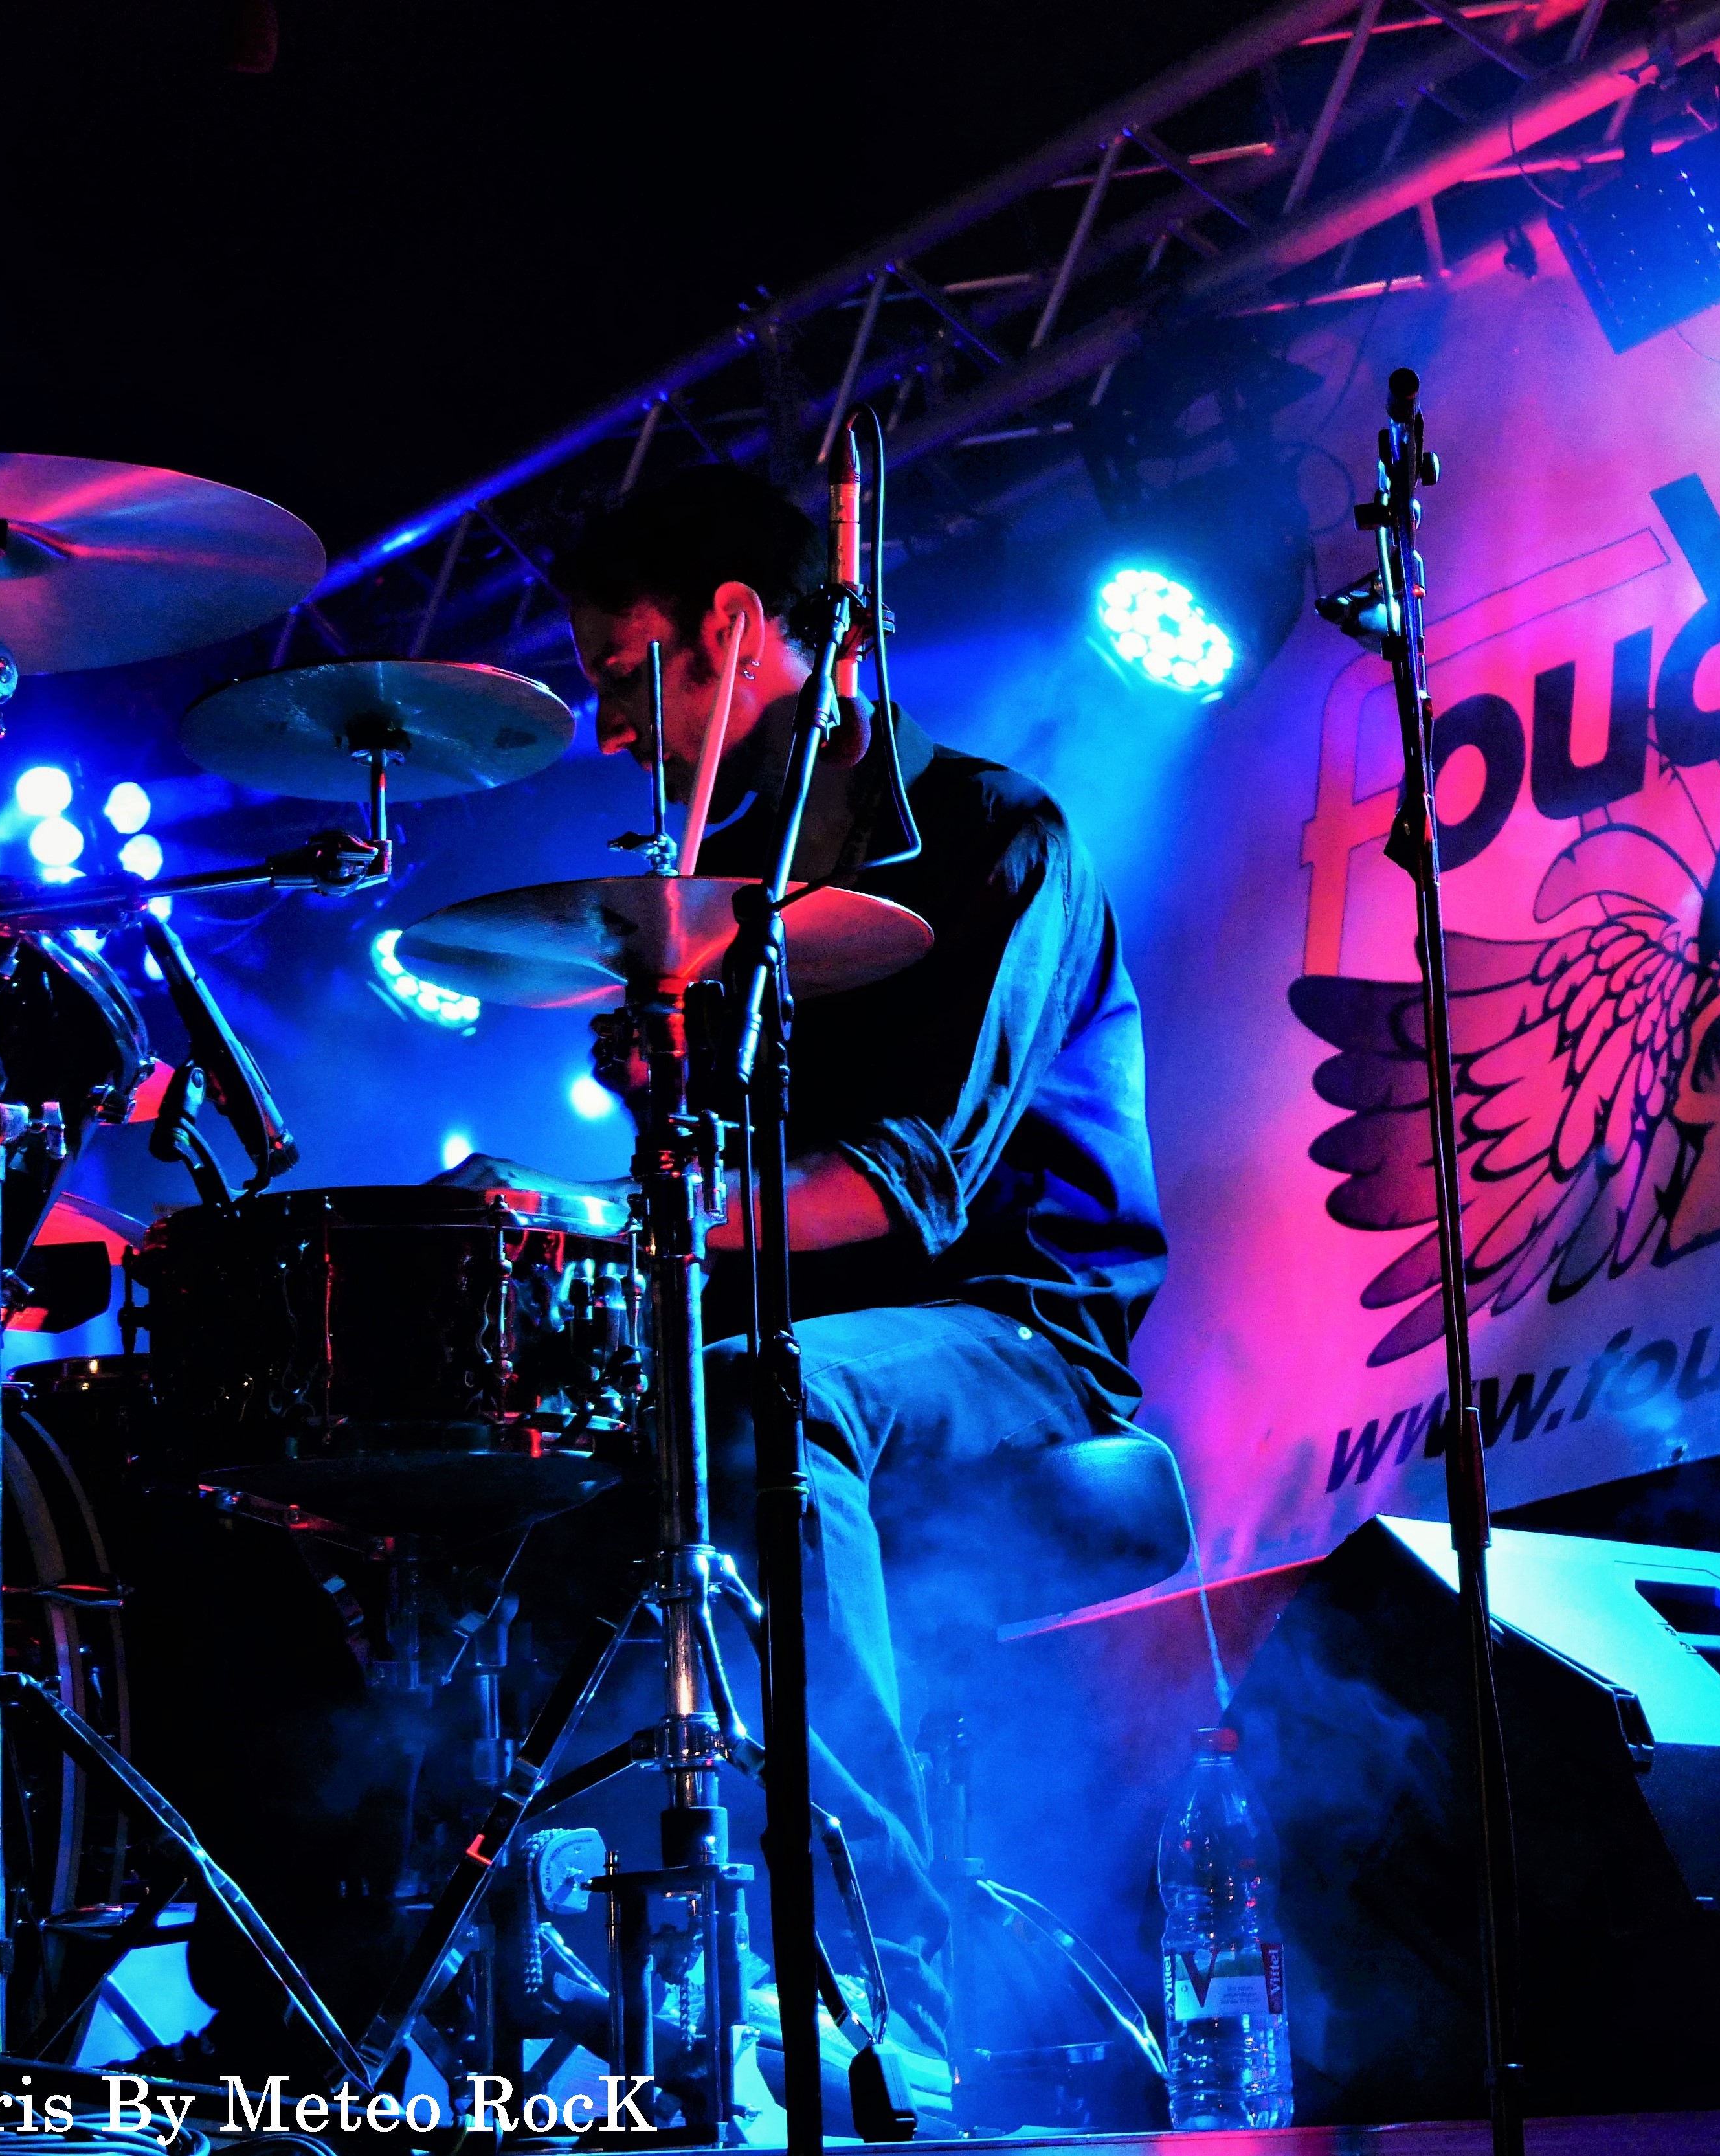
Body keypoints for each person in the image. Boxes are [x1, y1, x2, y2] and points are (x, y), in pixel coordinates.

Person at [443, 465, 1168, 2047]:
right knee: (504, 1459)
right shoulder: (714, 902)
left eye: (623, 675)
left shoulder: (995, 838)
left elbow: (916, 1189)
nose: (611, 731)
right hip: (786, 1336)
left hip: (1009, 1332)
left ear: (732, 627)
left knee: (759, 1396)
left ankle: (877, 1970)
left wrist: (616, 1222)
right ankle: (491, 1954)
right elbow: (707, 1202)